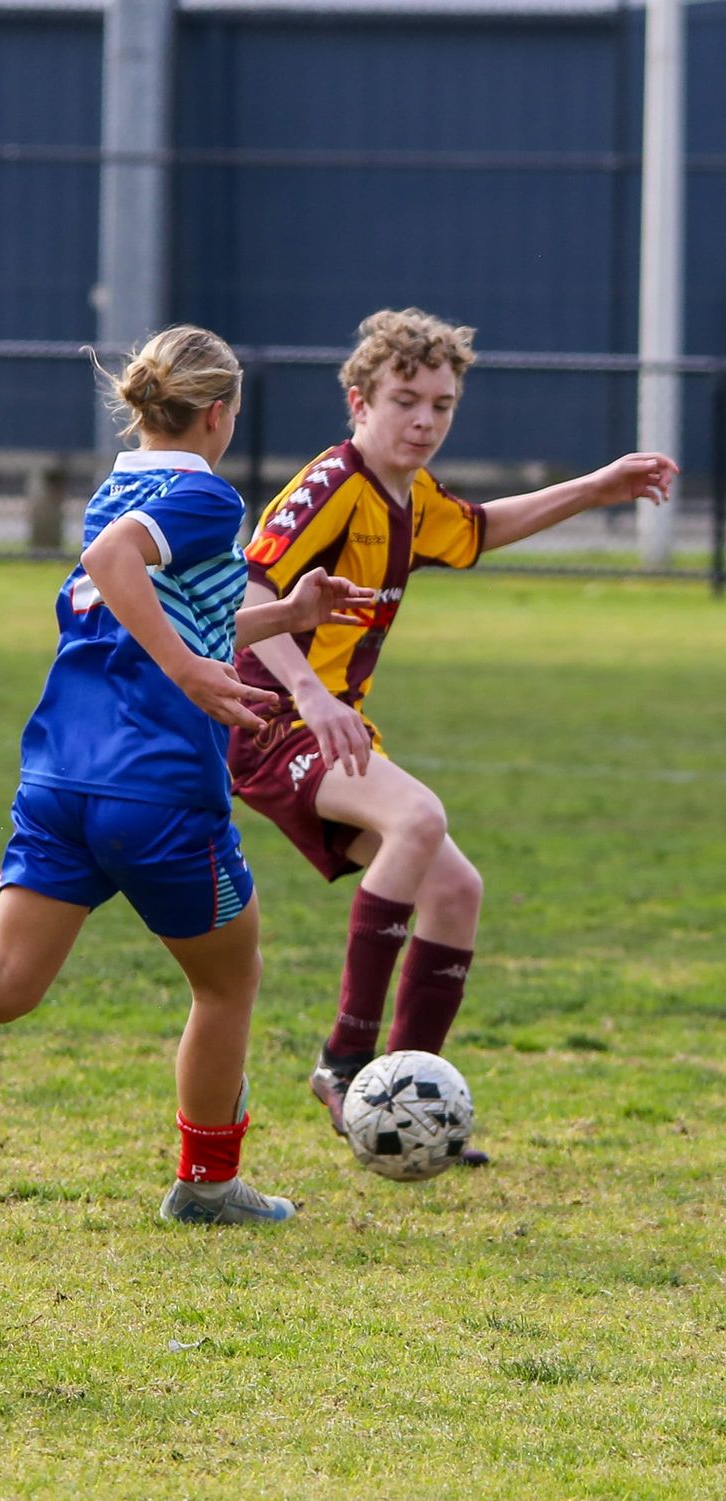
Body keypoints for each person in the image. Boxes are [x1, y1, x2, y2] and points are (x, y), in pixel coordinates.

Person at [0, 324, 373, 1226]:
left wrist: (284, 611)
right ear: (218, 414)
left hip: (61, 776)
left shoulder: (116, 487)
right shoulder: (205, 497)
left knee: (7, 978)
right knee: (226, 982)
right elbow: (116, 570)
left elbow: (149, 609)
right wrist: (186, 671)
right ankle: (208, 1185)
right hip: (158, 786)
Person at [227, 307, 678, 1152]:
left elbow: (478, 529)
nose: (425, 420)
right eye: (406, 400)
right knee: (419, 816)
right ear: (359, 401)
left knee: (455, 889)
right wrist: (312, 697)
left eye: (441, 403)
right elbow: (251, 594)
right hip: (270, 716)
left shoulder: (412, 496)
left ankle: (404, 1103)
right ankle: (345, 1059)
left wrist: (595, 485)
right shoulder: (334, 483)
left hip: (330, 722)